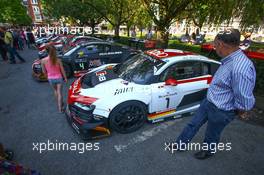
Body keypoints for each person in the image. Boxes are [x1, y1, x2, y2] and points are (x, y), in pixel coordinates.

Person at [176, 29, 256, 159]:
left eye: (215, 44)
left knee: (212, 134)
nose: (214, 47)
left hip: (222, 110)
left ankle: (208, 151)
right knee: (193, 124)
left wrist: (239, 111)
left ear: (222, 44)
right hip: (209, 102)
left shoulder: (240, 68)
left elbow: (244, 99)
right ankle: (180, 144)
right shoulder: (229, 58)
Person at [41, 45, 68, 113]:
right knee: (60, 93)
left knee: (55, 91)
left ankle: (60, 103)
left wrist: (47, 78)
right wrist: (65, 78)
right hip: (59, 78)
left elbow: (44, 72)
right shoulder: (58, 60)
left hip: (51, 78)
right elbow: (62, 70)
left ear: (47, 51)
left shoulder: (43, 60)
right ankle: (60, 108)